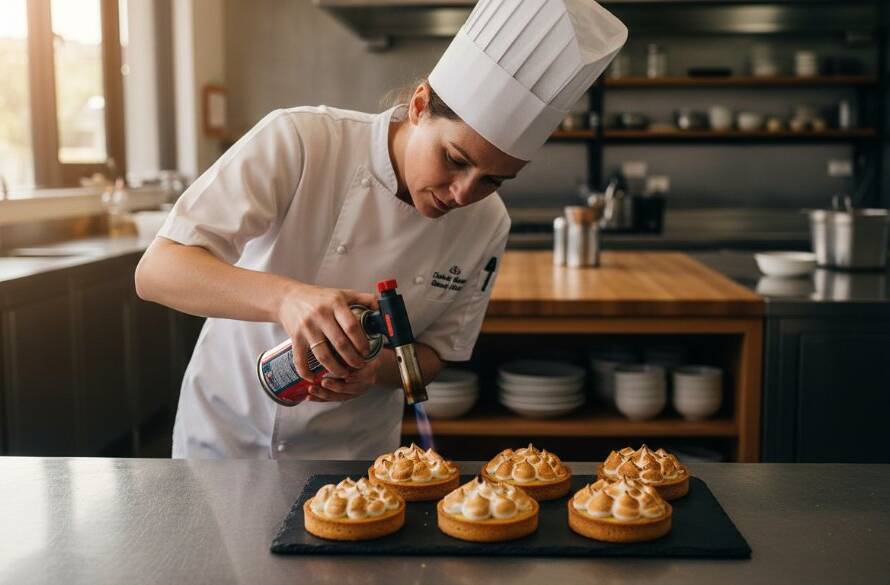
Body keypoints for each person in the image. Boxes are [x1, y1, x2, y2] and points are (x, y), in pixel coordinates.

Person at [135, 0, 627, 459]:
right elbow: (158, 271)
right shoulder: (303, 141)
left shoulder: (488, 221)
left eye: (494, 180)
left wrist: (376, 371)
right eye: (455, 160)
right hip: (227, 440)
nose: (463, 194)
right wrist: (287, 299)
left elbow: (436, 351)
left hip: (354, 459)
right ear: (419, 105)